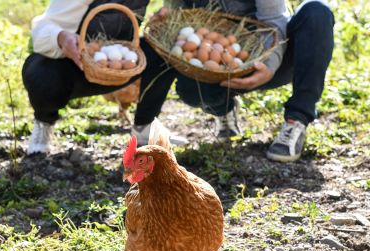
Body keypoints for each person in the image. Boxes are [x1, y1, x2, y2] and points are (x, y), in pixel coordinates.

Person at [131, 0, 335, 162]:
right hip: (214, 66)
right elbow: (179, 21)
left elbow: (274, 21)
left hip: (269, 56)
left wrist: (270, 65)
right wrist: (166, 22)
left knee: (317, 11)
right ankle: (223, 110)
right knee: (190, 90)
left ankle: (296, 121)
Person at [22, 0, 152, 154]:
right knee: (43, 74)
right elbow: (42, 28)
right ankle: (44, 123)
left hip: (121, 64)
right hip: (73, 65)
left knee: (163, 52)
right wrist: (60, 37)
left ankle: (145, 128)